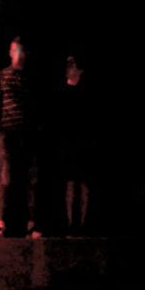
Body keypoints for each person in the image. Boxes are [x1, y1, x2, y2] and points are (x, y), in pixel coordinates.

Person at [0, 37, 39, 238]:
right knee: (5, 177)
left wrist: (35, 130)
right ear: (10, 52)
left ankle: (31, 225)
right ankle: (0, 224)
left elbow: (35, 106)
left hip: (27, 135)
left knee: (32, 180)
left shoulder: (29, 79)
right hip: (7, 134)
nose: (18, 55)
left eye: (21, 51)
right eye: (14, 50)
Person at [54, 55, 94, 233]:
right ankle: (71, 224)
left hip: (84, 143)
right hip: (67, 143)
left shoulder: (86, 92)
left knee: (84, 183)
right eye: (68, 66)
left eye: (72, 66)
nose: (69, 69)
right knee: (70, 183)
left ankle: (83, 224)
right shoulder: (61, 92)